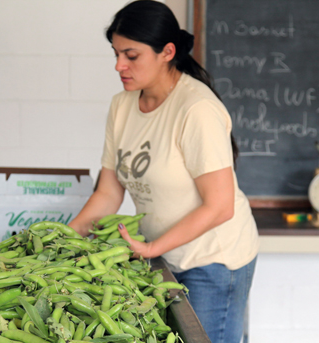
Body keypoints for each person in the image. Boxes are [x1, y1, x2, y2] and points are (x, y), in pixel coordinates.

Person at [68, 1, 260, 342]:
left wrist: (153, 248)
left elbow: (220, 206)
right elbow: (109, 192)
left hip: (212, 261)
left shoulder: (197, 109)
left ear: (167, 52)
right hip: (162, 256)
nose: (118, 66)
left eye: (131, 55)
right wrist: (66, 238)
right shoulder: (122, 106)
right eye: (115, 54)